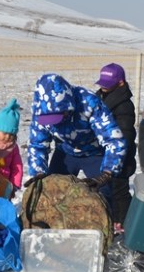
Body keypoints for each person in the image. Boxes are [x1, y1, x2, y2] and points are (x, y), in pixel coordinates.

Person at [26, 73, 127, 206]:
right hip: (65, 151)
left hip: (93, 152)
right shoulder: (41, 111)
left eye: (59, 116)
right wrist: (38, 171)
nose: (55, 123)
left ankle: (103, 224)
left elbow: (114, 139)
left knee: (101, 194)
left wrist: (107, 173)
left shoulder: (89, 103)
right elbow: (37, 143)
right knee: (51, 193)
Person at [95, 63, 136, 228]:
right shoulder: (100, 97)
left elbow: (125, 133)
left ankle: (125, 222)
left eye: (108, 84)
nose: (104, 87)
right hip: (104, 152)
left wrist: (118, 155)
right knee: (107, 190)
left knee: (119, 190)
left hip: (121, 155)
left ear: (120, 83)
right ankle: (112, 218)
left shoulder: (124, 105)